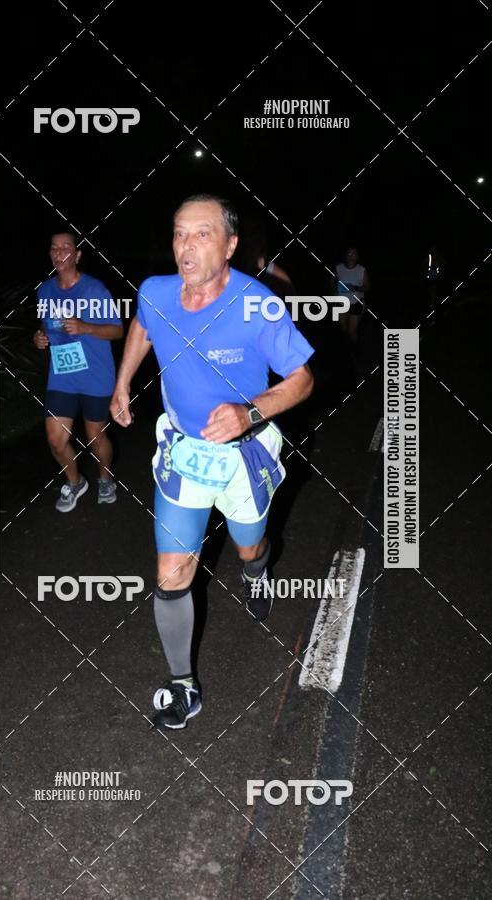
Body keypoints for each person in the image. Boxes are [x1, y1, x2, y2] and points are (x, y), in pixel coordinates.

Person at [110, 195, 314, 729]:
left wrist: (250, 412)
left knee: (249, 544)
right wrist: (123, 380)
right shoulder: (156, 291)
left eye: (202, 234)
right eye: (180, 233)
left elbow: (303, 380)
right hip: (184, 453)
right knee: (171, 574)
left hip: (244, 453)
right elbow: (142, 326)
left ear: (230, 245)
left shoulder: (259, 304)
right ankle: (183, 686)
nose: (186, 246)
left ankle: (258, 569)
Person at [34, 231, 123, 511]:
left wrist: (86, 327)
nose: (60, 252)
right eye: (54, 248)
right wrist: (38, 338)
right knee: (55, 439)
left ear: (78, 255)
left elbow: (118, 330)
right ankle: (75, 483)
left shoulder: (95, 291)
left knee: (96, 437)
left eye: (66, 247)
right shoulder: (44, 290)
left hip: (96, 376)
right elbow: (45, 327)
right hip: (62, 377)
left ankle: (105, 477)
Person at [331, 246, 370, 344]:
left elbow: (367, 287)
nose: (351, 256)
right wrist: (334, 291)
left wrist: (355, 288)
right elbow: (332, 280)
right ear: (345, 256)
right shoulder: (339, 268)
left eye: (354, 254)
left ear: (357, 257)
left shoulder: (362, 270)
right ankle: (345, 350)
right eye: (349, 253)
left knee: (352, 331)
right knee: (343, 329)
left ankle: (353, 352)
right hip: (341, 303)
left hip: (356, 303)